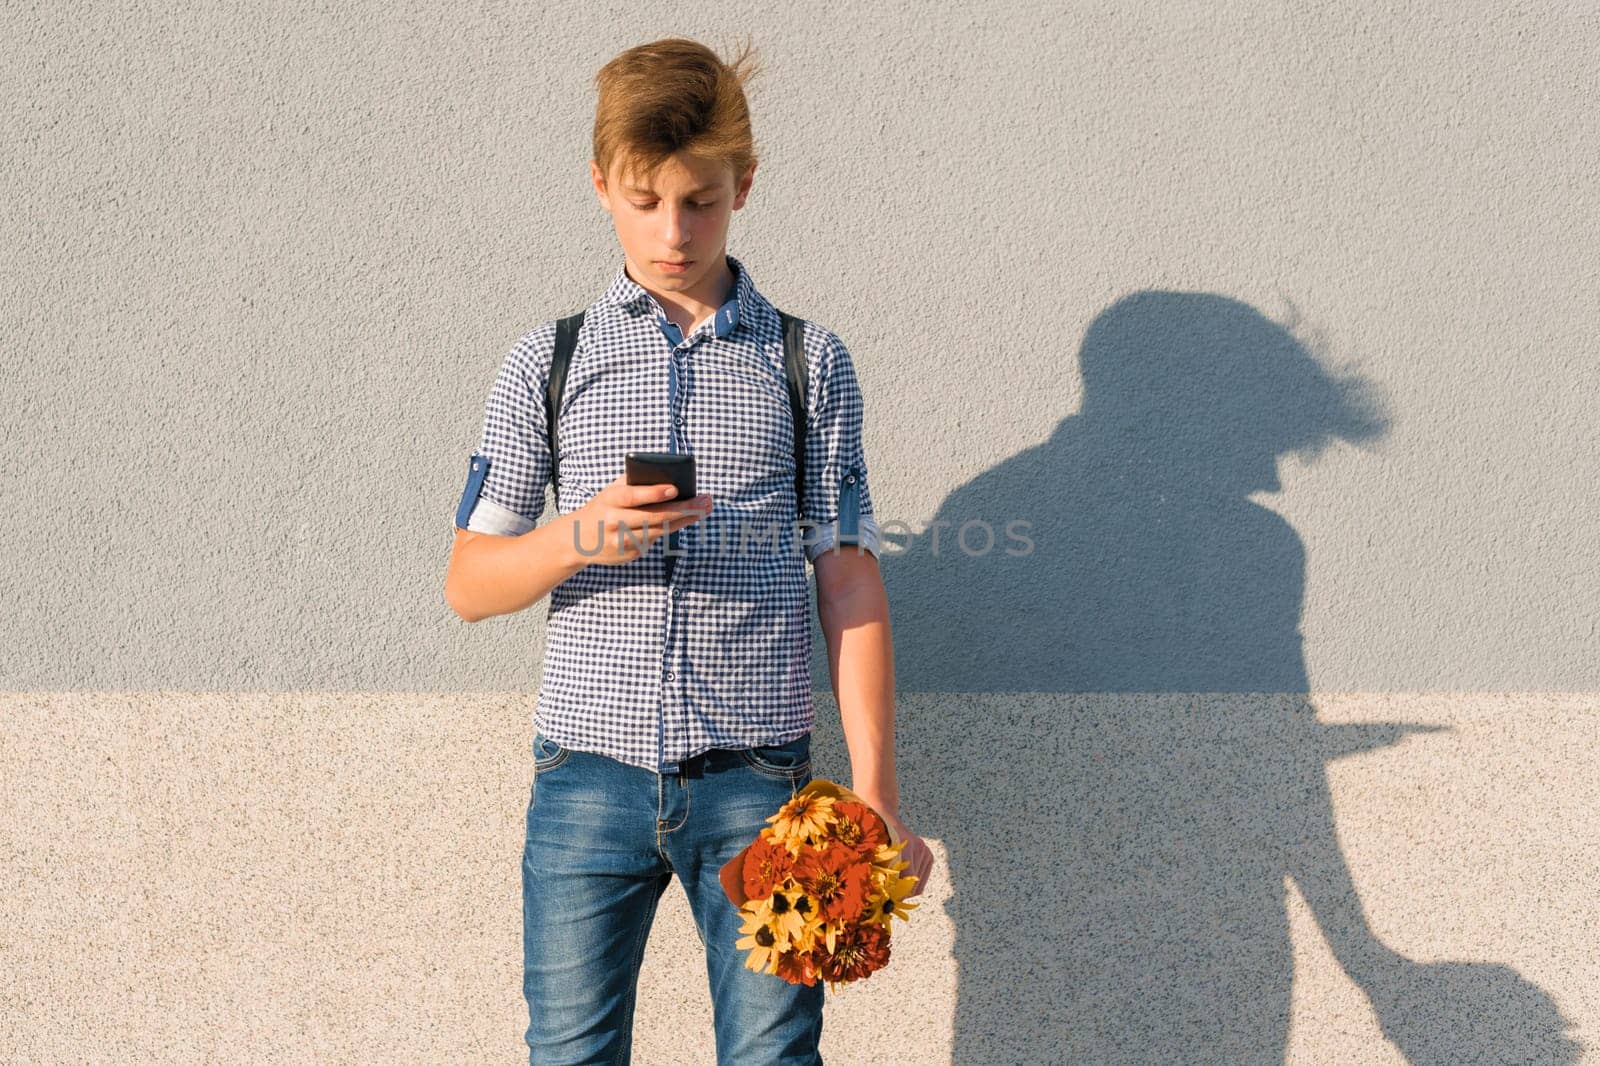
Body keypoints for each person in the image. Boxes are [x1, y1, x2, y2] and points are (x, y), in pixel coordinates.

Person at [442, 35, 934, 1066]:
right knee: (569, 1055)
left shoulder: (809, 362)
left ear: (743, 184)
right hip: (586, 777)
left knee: (773, 1059)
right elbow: (469, 585)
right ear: (600, 186)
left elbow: (846, 577)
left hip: (764, 786)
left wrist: (878, 791)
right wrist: (583, 533)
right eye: (645, 199)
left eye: (700, 201)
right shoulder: (550, 358)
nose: (673, 232)